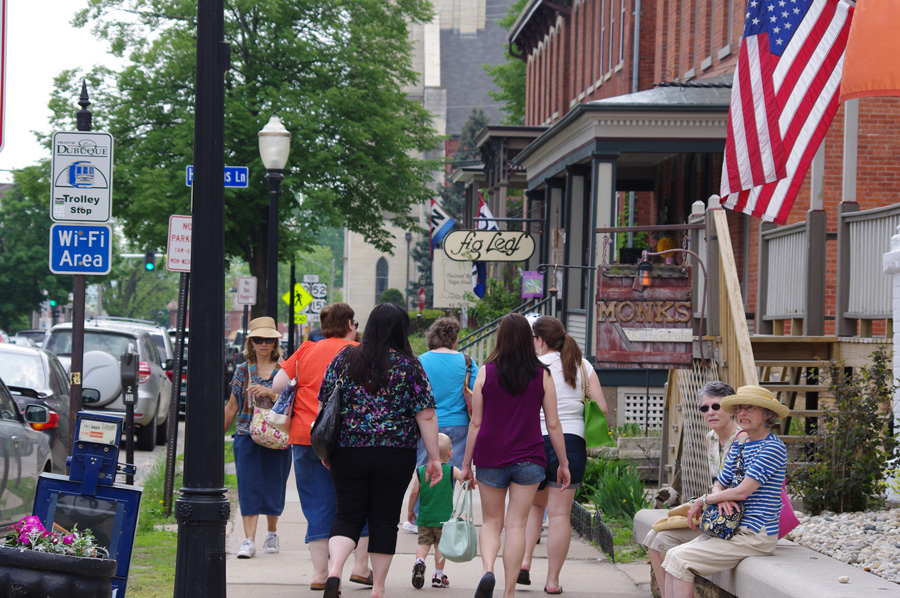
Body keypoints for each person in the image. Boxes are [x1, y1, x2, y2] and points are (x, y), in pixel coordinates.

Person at [320, 303, 443, 598]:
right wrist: (435, 458)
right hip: (395, 453)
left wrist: (327, 451)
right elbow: (425, 414)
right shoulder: (409, 366)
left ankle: (335, 570)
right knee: (384, 519)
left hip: (348, 450)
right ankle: (378, 588)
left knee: (347, 515)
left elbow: (325, 400)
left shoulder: (345, 358)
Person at [461, 313, 571, 598]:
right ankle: (509, 592)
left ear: (500, 337)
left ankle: (488, 570)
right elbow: (554, 424)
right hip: (530, 457)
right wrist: (563, 462)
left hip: (490, 455)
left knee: (491, 522)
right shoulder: (541, 374)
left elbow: (476, 423)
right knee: (517, 525)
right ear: (527, 339)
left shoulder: (486, 371)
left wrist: (465, 464)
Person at [272, 303, 371, 589]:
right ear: (351, 324)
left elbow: (279, 384)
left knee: (316, 504)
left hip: (307, 436)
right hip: (348, 438)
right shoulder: (358, 352)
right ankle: (361, 566)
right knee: (356, 501)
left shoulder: (306, 349)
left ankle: (319, 574)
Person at [661, 385, 788, 598]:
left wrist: (704, 500)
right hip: (732, 528)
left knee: (681, 561)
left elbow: (741, 492)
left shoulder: (773, 448)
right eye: (739, 408)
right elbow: (720, 483)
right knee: (672, 555)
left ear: (767, 414)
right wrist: (718, 499)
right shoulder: (741, 443)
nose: (742, 413)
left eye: (749, 408)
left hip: (754, 535)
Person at [519, 316, 608, 594]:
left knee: (533, 507)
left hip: (534, 440)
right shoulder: (583, 365)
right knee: (559, 515)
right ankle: (553, 581)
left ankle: (524, 563)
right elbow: (603, 409)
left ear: (540, 340)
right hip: (571, 442)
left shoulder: (531, 366)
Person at [641, 381, 742, 589]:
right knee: (651, 537)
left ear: (731, 409)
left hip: (736, 517)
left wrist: (712, 499)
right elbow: (718, 482)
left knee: (664, 540)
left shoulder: (743, 440)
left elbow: (742, 488)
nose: (710, 412)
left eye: (716, 406)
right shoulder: (711, 438)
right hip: (717, 510)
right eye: (705, 408)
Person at [223, 316, 291, 559]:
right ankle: (248, 540)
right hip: (246, 435)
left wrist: (272, 393)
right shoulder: (242, 370)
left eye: (269, 340)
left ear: (275, 343)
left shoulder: (285, 370)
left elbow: (295, 403)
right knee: (248, 487)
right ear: (251, 342)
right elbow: (232, 406)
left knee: (275, 485)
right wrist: (217, 437)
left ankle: (271, 533)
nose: (264, 344)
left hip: (277, 436)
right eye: (259, 340)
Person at [404, 318, 479, 534]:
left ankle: (420, 517)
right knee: (449, 474)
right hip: (459, 425)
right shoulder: (466, 362)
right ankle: (443, 516)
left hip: (426, 424)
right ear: (455, 339)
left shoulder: (420, 361)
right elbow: (476, 391)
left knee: (424, 471)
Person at [407, 433, 468, 589]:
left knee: (423, 544)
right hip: (444, 520)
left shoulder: (421, 471)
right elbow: (463, 478)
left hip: (425, 518)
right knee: (440, 547)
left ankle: (419, 562)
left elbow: (414, 492)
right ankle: (438, 576)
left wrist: (410, 511)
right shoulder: (450, 470)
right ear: (450, 453)